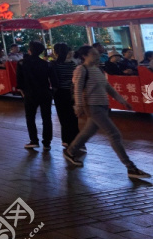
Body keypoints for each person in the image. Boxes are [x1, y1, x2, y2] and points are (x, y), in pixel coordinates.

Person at [64, 45, 150, 178]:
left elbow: (107, 86)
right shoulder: (81, 69)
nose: (97, 55)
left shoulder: (97, 69)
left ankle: (70, 151)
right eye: (93, 54)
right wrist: (79, 106)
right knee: (114, 134)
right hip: (92, 106)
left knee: (88, 132)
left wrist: (122, 100)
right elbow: (78, 89)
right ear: (84, 56)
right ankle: (131, 167)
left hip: (102, 106)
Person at [15, 40, 54, 151]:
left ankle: (34, 141)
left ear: (30, 50)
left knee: (30, 117)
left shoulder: (22, 63)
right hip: (45, 93)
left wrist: (23, 92)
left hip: (30, 93)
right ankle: (47, 142)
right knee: (46, 118)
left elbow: (19, 81)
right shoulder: (46, 64)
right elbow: (52, 80)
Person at [51, 43, 80, 148]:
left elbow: (53, 80)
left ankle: (66, 139)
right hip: (72, 92)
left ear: (55, 52)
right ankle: (76, 139)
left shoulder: (54, 64)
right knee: (73, 116)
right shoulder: (72, 64)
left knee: (63, 117)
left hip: (60, 93)